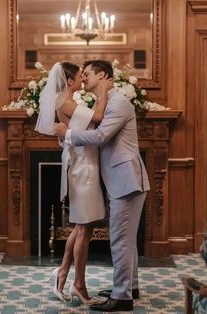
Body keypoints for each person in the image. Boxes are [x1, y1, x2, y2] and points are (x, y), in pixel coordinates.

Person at [53, 59, 150, 312]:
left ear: (102, 75)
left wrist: (68, 135)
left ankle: (122, 297)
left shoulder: (118, 102)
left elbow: (101, 136)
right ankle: (130, 287)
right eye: (81, 74)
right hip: (120, 178)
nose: (83, 77)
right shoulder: (106, 101)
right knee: (125, 238)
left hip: (126, 179)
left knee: (120, 239)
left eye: (87, 73)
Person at [35, 61, 112, 305]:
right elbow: (98, 118)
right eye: (80, 76)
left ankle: (63, 275)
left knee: (81, 228)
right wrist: (104, 92)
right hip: (83, 168)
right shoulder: (66, 102)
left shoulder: (64, 102)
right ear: (69, 81)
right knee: (84, 228)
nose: (82, 79)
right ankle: (78, 285)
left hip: (84, 164)